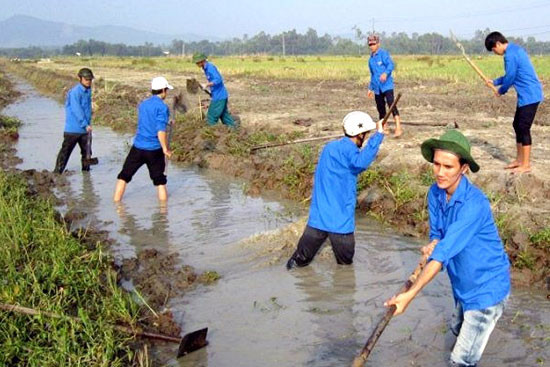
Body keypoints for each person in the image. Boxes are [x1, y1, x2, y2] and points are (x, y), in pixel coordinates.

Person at [385, 130, 511, 367]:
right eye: (436, 164)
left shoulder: (474, 205)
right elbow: (438, 236)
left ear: (463, 168)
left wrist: (409, 296)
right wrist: (432, 243)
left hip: (486, 288)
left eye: (448, 167)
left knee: (460, 361)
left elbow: (443, 254)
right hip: (462, 284)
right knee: (456, 331)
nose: (440, 173)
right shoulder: (435, 193)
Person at [286, 111, 385, 269]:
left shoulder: (329, 148)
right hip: (340, 224)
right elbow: (359, 163)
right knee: (345, 268)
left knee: (298, 262)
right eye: (365, 134)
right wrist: (378, 135)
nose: (365, 137)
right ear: (359, 135)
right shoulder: (350, 153)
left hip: (317, 220)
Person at [485, 31, 544, 174]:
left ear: (498, 44)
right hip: (525, 96)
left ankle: (526, 164)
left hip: (530, 95)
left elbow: (510, 78)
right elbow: (511, 74)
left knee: (523, 127)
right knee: (516, 124)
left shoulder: (509, 55)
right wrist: (495, 81)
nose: (495, 53)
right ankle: (519, 160)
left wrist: (501, 90)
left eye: (493, 50)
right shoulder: (515, 50)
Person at [113, 77, 173, 202]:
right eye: (166, 90)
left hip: (138, 147)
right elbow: (160, 131)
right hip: (154, 150)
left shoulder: (143, 104)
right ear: (162, 90)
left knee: (124, 176)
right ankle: (163, 215)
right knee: (160, 181)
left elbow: (148, 122)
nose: (166, 93)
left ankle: (116, 204)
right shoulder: (162, 107)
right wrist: (165, 149)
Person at [54, 68, 94, 173]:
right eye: (86, 79)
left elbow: (87, 109)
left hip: (85, 131)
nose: (88, 81)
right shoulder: (75, 92)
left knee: (87, 154)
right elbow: (77, 110)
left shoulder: (88, 91)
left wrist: (88, 124)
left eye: (90, 79)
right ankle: (57, 174)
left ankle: (86, 177)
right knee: (65, 153)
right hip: (73, 130)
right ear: (80, 79)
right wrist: (85, 124)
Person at [367, 34, 403, 138]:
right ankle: (385, 127)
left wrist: (385, 73)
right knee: (380, 107)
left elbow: (391, 65)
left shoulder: (384, 54)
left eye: (373, 44)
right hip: (377, 87)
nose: (372, 46)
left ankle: (398, 127)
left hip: (387, 85)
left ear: (378, 44)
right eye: (370, 44)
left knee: (391, 104)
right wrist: (370, 88)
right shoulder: (370, 60)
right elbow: (373, 75)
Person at [192, 53, 237, 128]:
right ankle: (235, 132)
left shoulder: (210, 67)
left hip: (219, 97)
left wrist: (207, 85)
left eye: (197, 62)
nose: (196, 64)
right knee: (225, 117)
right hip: (219, 95)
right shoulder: (206, 68)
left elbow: (218, 79)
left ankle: (212, 134)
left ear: (202, 61)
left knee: (211, 118)